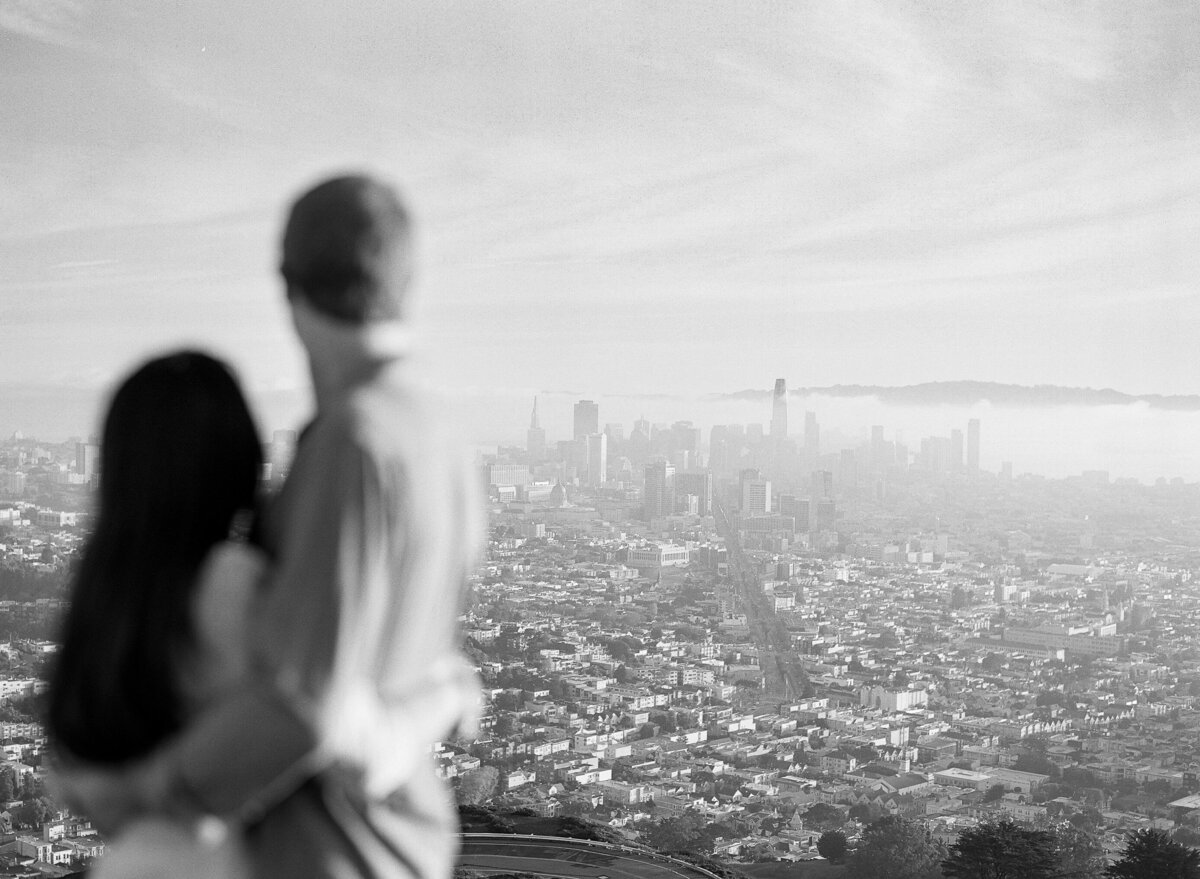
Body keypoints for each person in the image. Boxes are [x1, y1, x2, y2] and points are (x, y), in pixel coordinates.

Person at [58, 173, 483, 879]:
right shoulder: (445, 438)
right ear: (407, 284)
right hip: (408, 841)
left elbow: (305, 700)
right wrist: (446, 695)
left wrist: (148, 791)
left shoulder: (353, 439)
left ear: (291, 292)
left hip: (329, 851)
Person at [49, 351, 265, 877]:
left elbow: (73, 777)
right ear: (238, 456)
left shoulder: (105, 586)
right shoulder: (235, 580)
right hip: (225, 858)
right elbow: (309, 713)